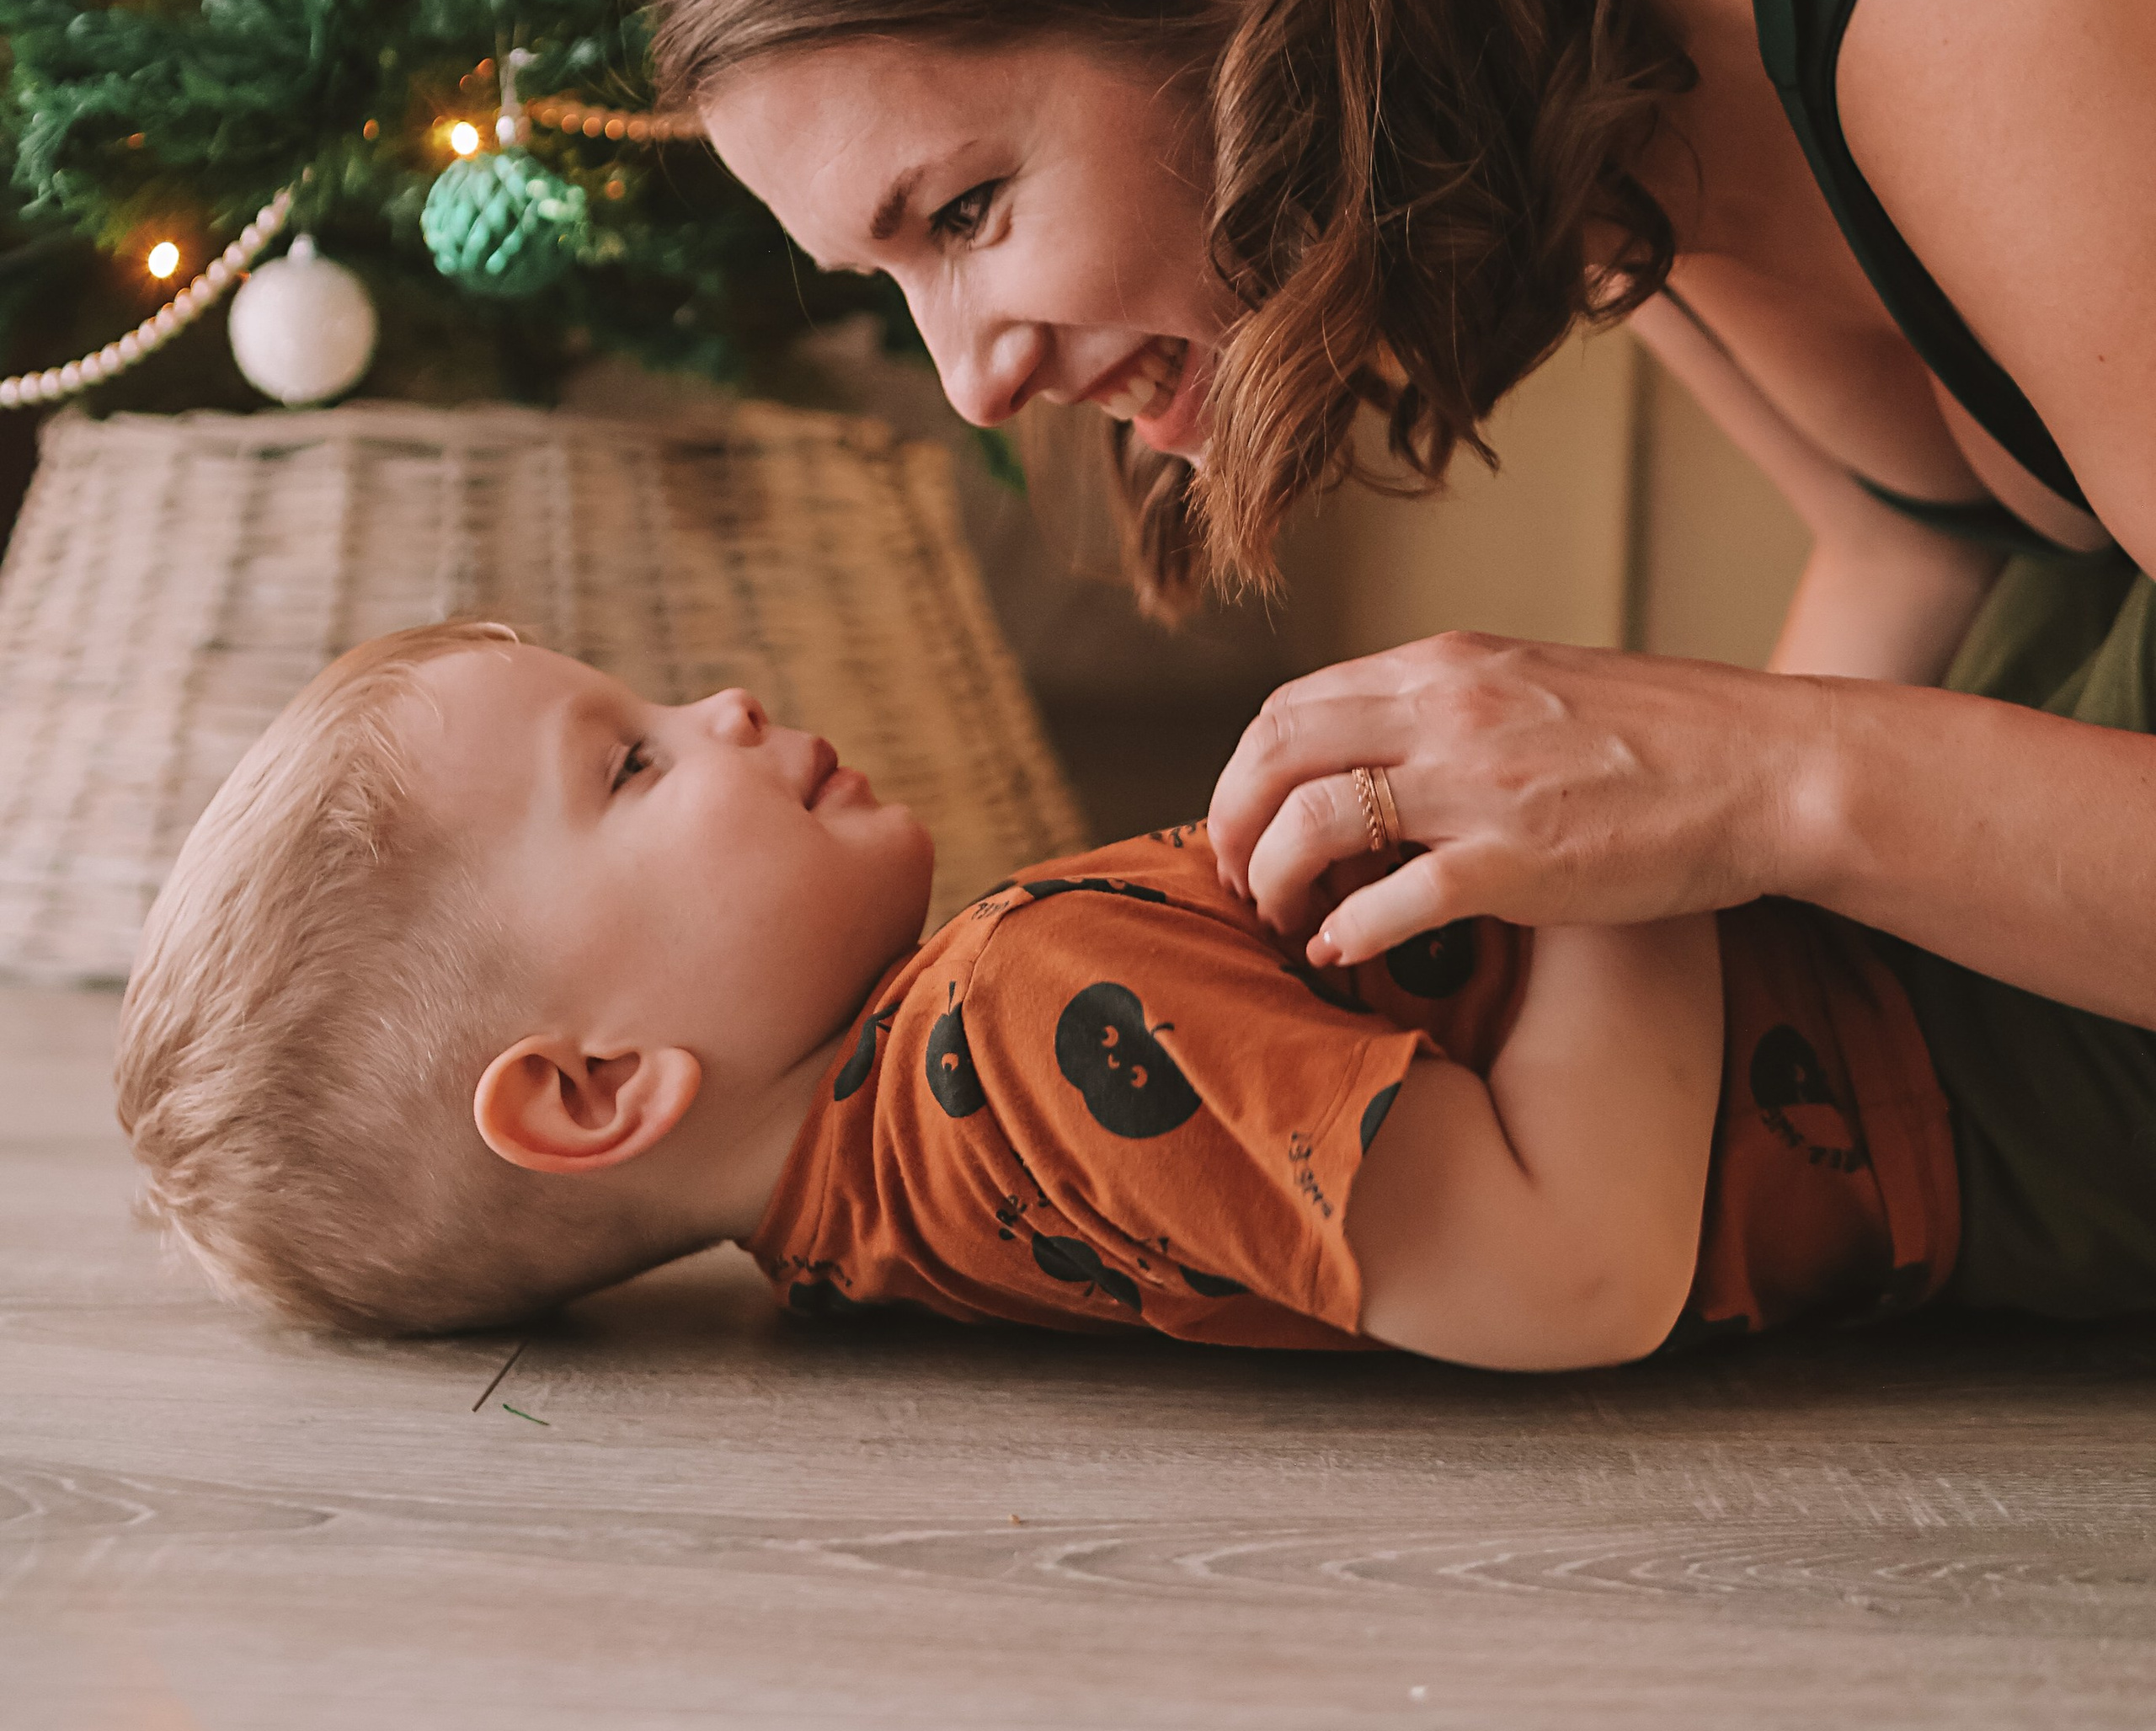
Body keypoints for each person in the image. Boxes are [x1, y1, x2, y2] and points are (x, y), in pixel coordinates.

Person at [655, 0, 2156, 1316]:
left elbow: (1807, 756)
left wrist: (1752, 777)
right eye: (888, 276)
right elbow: (1916, 546)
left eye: (967, 212)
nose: (971, 382)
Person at [119, 619, 1977, 1362]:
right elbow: (1577, 1271)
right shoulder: (1022, 1018)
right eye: (630, 766)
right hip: (1962, 1057)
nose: (724, 704)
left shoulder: (869, 1217)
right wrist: (1614, 820)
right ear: (599, 1090)